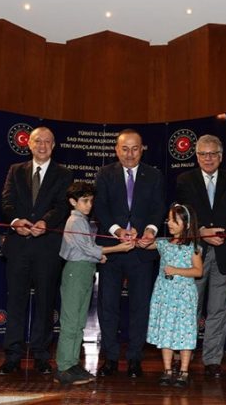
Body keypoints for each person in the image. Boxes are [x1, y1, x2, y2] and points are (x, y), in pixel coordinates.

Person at [0, 126, 73, 375]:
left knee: (45, 302)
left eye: (47, 142)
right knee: (15, 301)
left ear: (54, 146)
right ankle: (12, 356)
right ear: (29, 144)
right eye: (37, 141)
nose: (42, 146)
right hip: (18, 246)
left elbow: (62, 206)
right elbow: (6, 201)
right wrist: (15, 221)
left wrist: (45, 223)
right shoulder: (15, 170)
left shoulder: (64, 173)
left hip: (47, 247)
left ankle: (41, 355)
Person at [94, 129, 165, 378]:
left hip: (141, 252)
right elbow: (100, 208)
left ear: (141, 150)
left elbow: (158, 208)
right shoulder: (104, 174)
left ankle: (135, 358)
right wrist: (117, 231)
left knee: (139, 307)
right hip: (112, 251)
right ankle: (111, 358)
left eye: (135, 149)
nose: (130, 154)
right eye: (124, 148)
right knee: (108, 306)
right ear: (116, 150)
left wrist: (149, 230)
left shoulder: (154, 175)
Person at [175, 134, 226, 378]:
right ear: (196, 157)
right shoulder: (185, 180)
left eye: (213, 154)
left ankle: (213, 359)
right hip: (195, 253)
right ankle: (185, 356)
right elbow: (182, 216)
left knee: (218, 310)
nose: (208, 158)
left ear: (221, 156)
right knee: (190, 308)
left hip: (224, 253)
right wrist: (202, 232)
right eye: (203, 154)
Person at [54, 181, 135, 385]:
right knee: (71, 322)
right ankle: (63, 367)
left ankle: (72, 363)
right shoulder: (75, 221)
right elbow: (88, 249)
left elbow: (87, 248)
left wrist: (99, 257)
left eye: (91, 201)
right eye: (85, 201)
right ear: (73, 202)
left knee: (79, 321)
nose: (89, 205)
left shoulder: (83, 220)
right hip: (76, 271)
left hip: (85, 270)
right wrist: (117, 249)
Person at [146, 203, 203, 388]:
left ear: (186, 224)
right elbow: (145, 244)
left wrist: (176, 270)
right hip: (164, 294)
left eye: (174, 220)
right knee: (166, 330)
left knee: (185, 331)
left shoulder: (193, 247)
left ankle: (184, 371)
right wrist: (142, 238)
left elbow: (198, 271)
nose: (169, 223)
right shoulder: (163, 243)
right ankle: (167, 370)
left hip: (184, 296)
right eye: (169, 219)